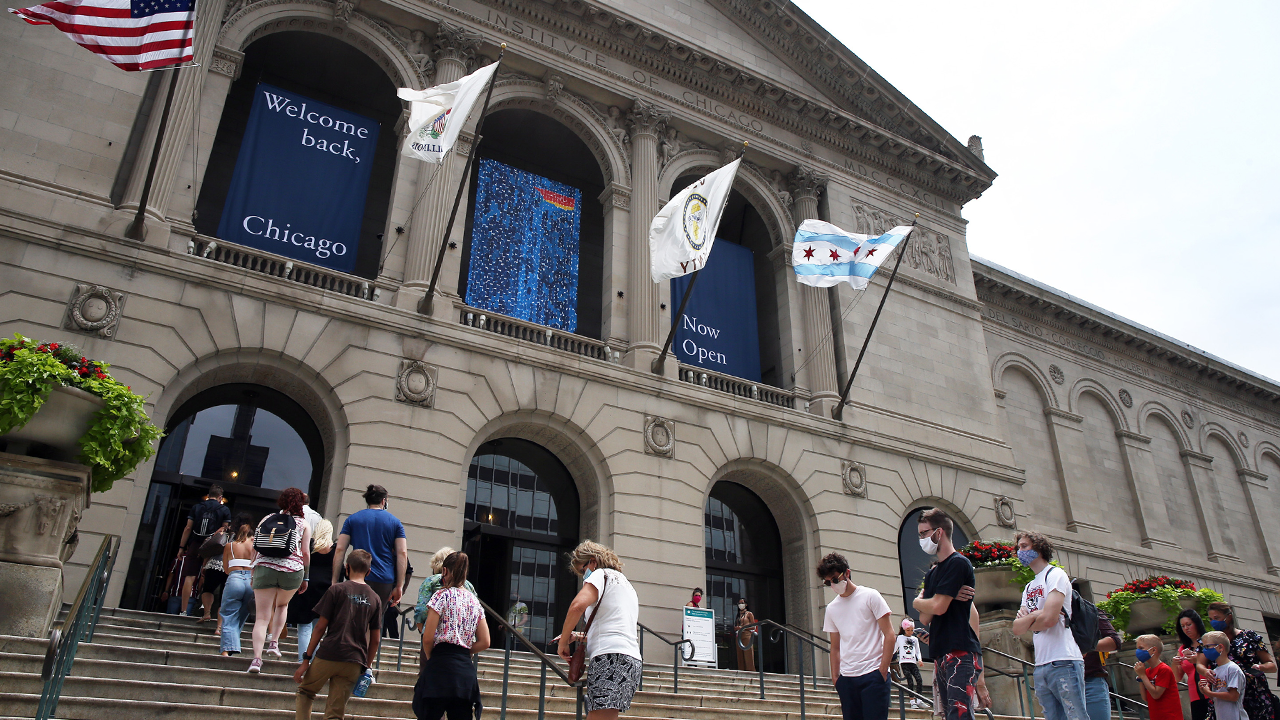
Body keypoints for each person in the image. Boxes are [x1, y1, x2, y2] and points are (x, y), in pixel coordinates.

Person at [556, 541, 642, 720]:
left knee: (597, 717)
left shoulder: (599, 575)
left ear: (593, 562)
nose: (583, 576)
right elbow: (614, 628)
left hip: (610, 658)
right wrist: (577, 636)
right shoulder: (626, 585)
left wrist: (563, 642)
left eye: (582, 569)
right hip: (630, 660)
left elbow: (576, 606)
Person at [294, 549, 383, 720]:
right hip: (354, 660)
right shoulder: (375, 598)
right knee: (335, 712)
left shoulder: (336, 590)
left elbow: (320, 627)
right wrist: (367, 666)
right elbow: (375, 639)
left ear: (346, 567)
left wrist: (306, 659)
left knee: (306, 691)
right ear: (369, 571)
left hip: (329, 653)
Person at [912, 508, 982, 720]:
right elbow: (925, 618)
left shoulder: (958, 563)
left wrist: (919, 602)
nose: (921, 539)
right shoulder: (933, 573)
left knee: (959, 714)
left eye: (924, 533)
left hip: (960, 649)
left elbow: (939, 607)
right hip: (941, 652)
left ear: (939, 532)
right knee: (949, 715)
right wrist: (927, 603)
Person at [1012, 530, 1087, 720]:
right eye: (1018, 547)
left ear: (1038, 548)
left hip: (1064, 660)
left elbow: (1050, 619)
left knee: (1076, 716)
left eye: (1024, 546)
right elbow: (1016, 629)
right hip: (1041, 664)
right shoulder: (1029, 587)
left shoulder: (1056, 575)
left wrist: (1030, 619)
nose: (1020, 551)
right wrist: (1037, 615)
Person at [413, 551, 490, 720]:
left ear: (445, 571)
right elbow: (485, 641)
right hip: (464, 671)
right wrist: (465, 650)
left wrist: (431, 656)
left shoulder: (441, 596)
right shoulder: (474, 601)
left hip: (440, 665)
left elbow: (427, 637)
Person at [818, 551, 894, 720]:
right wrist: (836, 678)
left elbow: (889, 635)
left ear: (847, 573)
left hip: (874, 674)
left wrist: (882, 670)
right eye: (827, 582)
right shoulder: (831, 609)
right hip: (847, 679)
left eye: (835, 579)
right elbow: (835, 647)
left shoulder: (870, 596)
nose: (832, 585)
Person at [249, 487, 312, 673]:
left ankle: (256, 660)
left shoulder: (267, 519)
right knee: (282, 606)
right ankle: (274, 642)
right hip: (291, 570)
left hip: (264, 568)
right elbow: (306, 553)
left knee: (261, 617)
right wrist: (306, 576)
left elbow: (255, 547)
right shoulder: (303, 524)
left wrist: (253, 570)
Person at [334, 484, 407, 609]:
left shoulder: (352, 520)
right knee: (375, 620)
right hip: (384, 579)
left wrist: (335, 581)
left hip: (357, 576)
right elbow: (402, 553)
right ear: (383, 501)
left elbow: (340, 549)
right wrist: (399, 585)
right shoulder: (395, 522)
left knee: (354, 618)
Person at [1204, 602, 1278, 720]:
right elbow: (1200, 664)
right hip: (1225, 694)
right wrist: (1206, 673)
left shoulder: (1249, 636)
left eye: (1216, 618)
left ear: (1229, 616)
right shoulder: (1210, 642)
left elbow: (1272, 665)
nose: (1213, 622)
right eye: (1211, 619)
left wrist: (1259, 668)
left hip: (1253, 694)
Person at [175, 485, 231, 616]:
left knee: (189, 577)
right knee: (208, 578)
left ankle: (183, 611)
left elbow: (188, 528)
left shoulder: (196, 507)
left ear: (208, 495)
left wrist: (181, 547)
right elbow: (224, 530)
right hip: (212, 547)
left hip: (195, 544)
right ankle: (206, 611)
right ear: (220, 497)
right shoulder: (224, 510)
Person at [290, 518, 335, 662]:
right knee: (318, 628)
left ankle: (303, 660)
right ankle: (313, 660)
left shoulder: (310, 545)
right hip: (326, 590)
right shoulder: (334, 549)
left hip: (307, 586)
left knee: (304, 627)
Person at [415, 546, 478, 632]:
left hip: (435, 633)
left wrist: (424, 630)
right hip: (463, 635)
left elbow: (422, 610)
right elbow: (476, 613)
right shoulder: (468, 585)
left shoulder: (430, 581)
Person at [220, 514, 256, 656]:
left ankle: (226, 650)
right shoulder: (254, 547)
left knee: (229, 614)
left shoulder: (230, 546)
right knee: (242, 614)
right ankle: (232, 646)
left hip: (234, 578)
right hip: (250, 580)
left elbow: (225, 568)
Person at [1082, 608, 1123, 720]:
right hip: (1059, 681)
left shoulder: (1088, 610)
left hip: (1090, 680)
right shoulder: (1044, 611)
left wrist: (1086, 647)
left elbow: (1114, 641)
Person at [1198, 631, 1248, 720]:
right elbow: (1218, 698)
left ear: (1220, 647)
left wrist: (1210, 693)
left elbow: (1233, 696)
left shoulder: (1232, 669)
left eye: (1207, 646)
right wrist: (1205, 690)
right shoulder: (1215, 671)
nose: (1205, 650)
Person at [1133, 634, 1185, 720]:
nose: (1138, 651)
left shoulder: (1164, 669)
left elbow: (1156, 694)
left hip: (1170, 716)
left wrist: (1143, 676)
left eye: (1141, 648)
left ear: (1153, 650)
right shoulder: (1146, 671)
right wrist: (1141, 677)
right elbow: (1145, 697)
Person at [1173, 610, 1212, 720]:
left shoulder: (1210, 641)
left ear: (1197, 623)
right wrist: (1175, 664)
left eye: (1189, 624)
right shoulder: (1183, 649)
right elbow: (1177, 677)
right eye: (1183, 626)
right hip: (1195, 697)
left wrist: (1199, 660)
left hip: (1212, 691)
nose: (1186, 628)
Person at [895, 620, 924, 708]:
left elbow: (917, 651)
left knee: (919, 679)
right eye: (908, 630)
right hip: (904, 662)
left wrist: (919, 659)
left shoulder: (914, 639)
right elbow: (895, 648)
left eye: (912, 630)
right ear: (904, 629)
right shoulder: (900, 638)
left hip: (913, 662)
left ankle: (919, 699)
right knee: (910, 680)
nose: (910, 632)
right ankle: (912, 701)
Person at [735, 597, 757, 672]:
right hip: (739, 636)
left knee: (748, 655)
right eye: (739, 603)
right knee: (740, 656)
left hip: (746, 635)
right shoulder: (738, 615)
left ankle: (751, 672)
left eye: (742, 603)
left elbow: (753, 626)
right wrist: (737, 628)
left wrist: (743, 627)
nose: (740, 605)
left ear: (746, 604)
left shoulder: (749, 614)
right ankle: (741, 671)